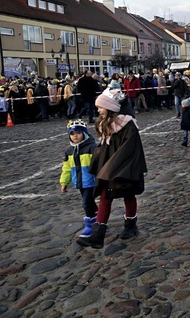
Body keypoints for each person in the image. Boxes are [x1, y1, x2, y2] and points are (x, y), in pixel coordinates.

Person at [77, 88, 147, 249]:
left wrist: (113, 166)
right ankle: (97, 235)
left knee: (128, 195)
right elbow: (104, 147)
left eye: (101, 107)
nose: (98, 110)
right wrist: (99, 161)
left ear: (110, 107)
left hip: (124, 167)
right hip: (109, 167)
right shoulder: (105, 125)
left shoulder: (127, 125)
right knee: (104, 197)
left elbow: (129, 149)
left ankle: (130, 225)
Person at [60, 119, 97, 239]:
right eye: (72, 133)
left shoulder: (92, 148)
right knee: (90, 203)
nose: (75, 136)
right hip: (80, 182)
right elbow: (66, 168)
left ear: (84, 133)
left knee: (86, 203)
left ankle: (90, 224)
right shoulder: (69, 151)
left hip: (91, 181)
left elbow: (99, 164)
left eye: (78, 133)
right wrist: (64, 182)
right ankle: (98, 219)